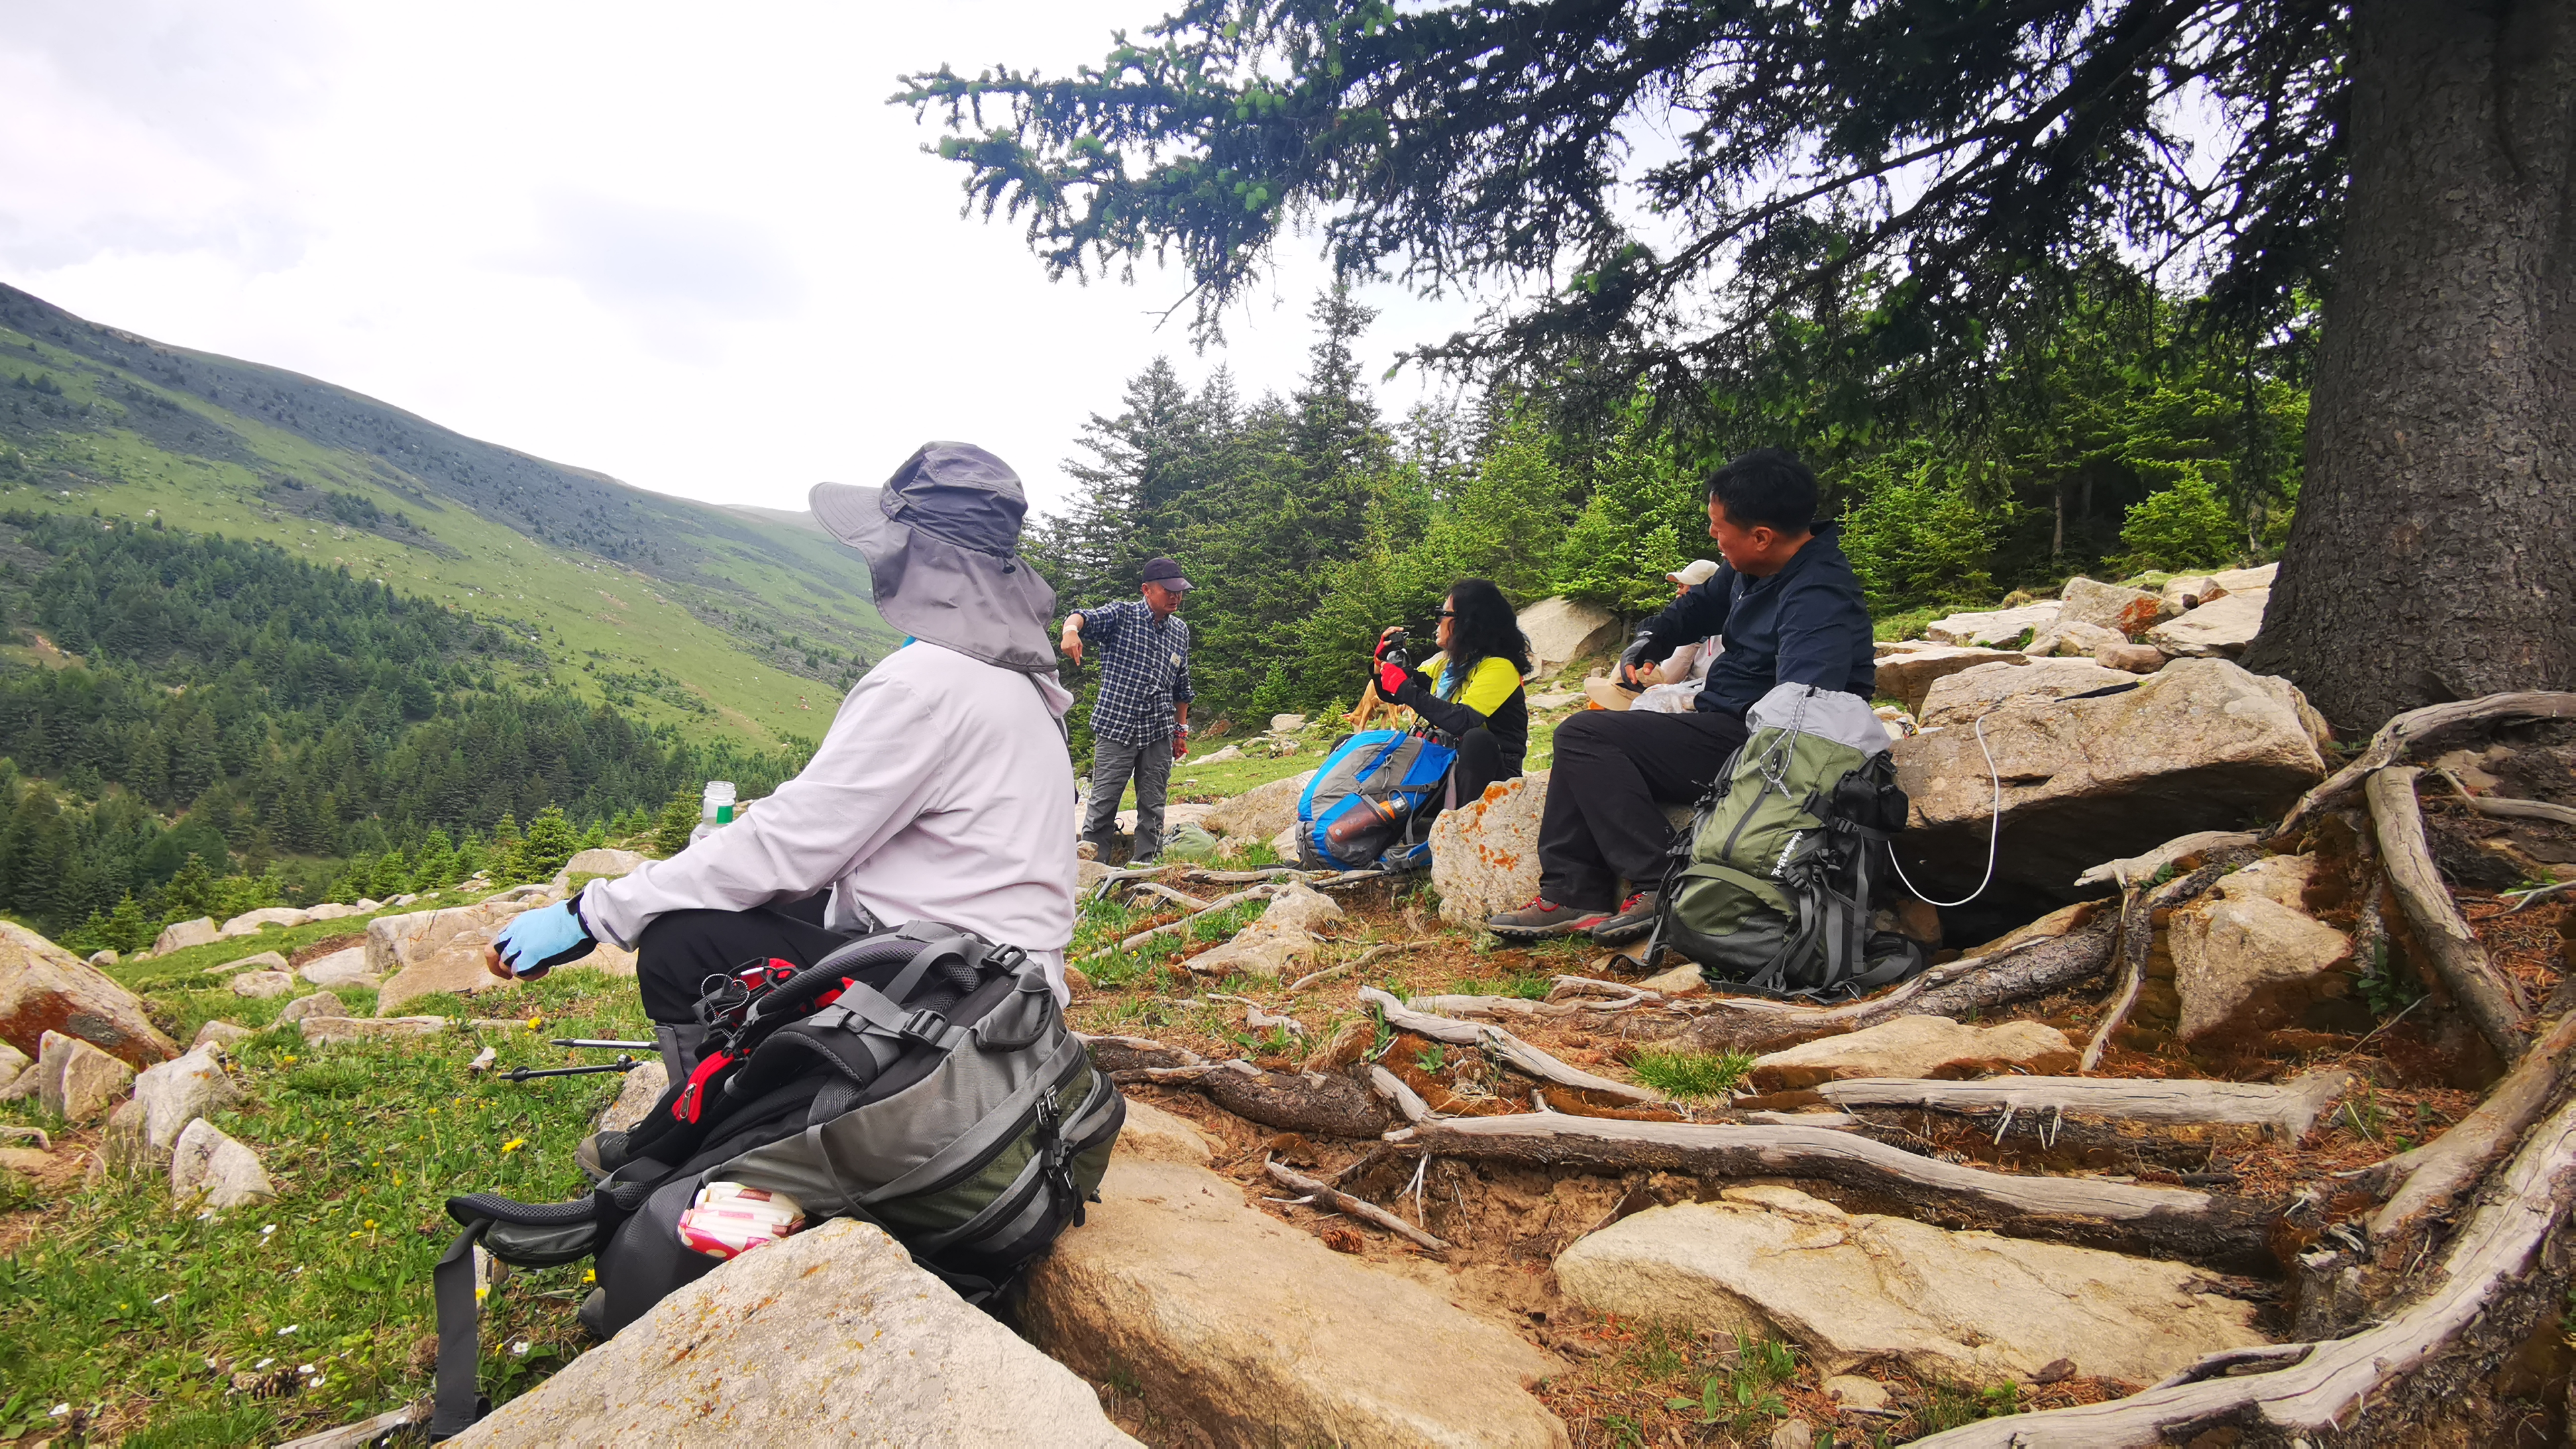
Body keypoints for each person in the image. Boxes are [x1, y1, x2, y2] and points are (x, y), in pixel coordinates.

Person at [483, 441, 1079, 1142]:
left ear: (923, 563)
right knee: (783, 903)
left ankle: (716, 1136)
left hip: (953, 1004)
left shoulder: (926, 686)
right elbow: (827, 820)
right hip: (1008, 988)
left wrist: (593, 915)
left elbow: (787, 847)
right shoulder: (1014, 683)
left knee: (683, 944)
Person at [1486, 448, 1874, 943]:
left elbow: (1802, 717)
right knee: (1584, 741)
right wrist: (1647, 642)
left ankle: (1659, 879)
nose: (1713, 536)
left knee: (1585, 735)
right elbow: (1693, 612)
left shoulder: (1819, 598)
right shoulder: (1751, 569)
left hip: (1764, 748)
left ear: (1761, 536)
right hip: (1726, 723)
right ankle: (1573, 891)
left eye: (1719, 526)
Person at [1060, 557, 1195, 863]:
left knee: (1153, 805)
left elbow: (1182, 687)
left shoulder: (1180, 631)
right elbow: (1082, 617)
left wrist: (1180, 731)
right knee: (1104, 804)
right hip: (1117, 727)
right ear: (1147, 590)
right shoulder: (1122, 615)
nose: (1175, 597)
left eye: (1180, 591)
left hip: (1159, 730)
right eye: (1168, 590)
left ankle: (1146, 865)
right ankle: (1091, 868)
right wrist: (1070, 631)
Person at [1366, 578, 1531, 813]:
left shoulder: (1500, 667)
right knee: (1363, 746)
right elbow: (1395, 695)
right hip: (1446, 765)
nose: (1437, 622)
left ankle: (1463, 827)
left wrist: (1404, 687)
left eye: (1442, 614)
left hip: (1492, 774)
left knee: (1477, 740)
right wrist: (1381, 663)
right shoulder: (1448, 666)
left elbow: (1462, 721)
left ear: (1466, 622)